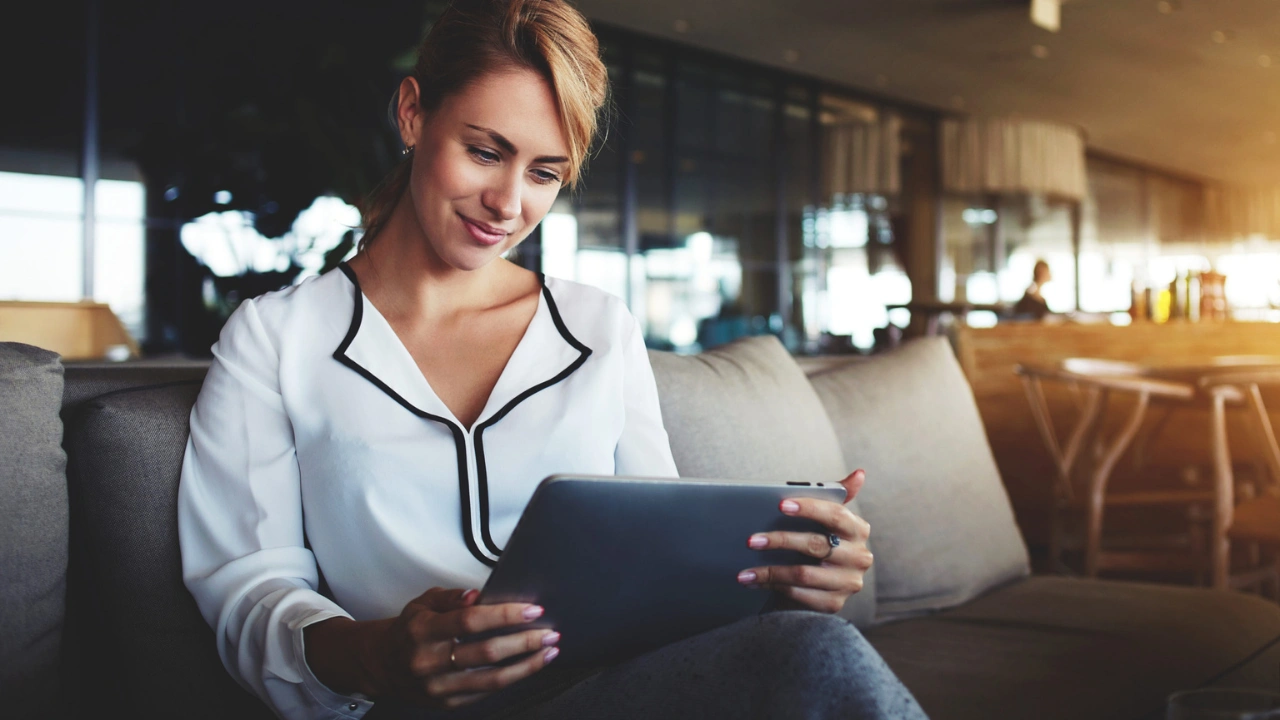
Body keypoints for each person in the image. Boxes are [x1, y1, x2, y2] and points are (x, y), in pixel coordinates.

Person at [177, 1, 927, 718]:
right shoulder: (275, 337)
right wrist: (379, 655)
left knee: (813, 647)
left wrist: (781, 581)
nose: (508, 204)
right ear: (412, 114)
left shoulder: (599, 327)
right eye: (485, 152)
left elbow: (660, 557)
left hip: (608, 689)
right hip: (414, 704)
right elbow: (249, 589)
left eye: (544, 173)